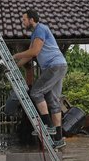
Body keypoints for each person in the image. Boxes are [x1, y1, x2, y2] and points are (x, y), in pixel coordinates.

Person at [13, 9, 68, 148]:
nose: (22, 22)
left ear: (32, 20)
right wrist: (16, 66)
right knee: (54, 102)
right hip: (58, 65)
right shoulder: (36, 34)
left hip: (53, 66)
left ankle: (48, 125)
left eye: (24, 19)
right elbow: (30, 56)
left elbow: (34, 52)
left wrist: (15, 56)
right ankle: (58, 139)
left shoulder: (40, 29)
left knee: (36, 92)